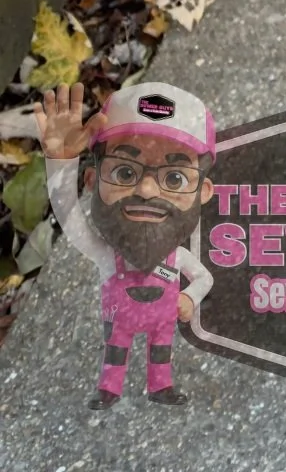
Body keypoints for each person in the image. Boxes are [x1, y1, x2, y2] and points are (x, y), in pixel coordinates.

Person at [35, 79, 217, 405]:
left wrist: (189, 298)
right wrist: (61, 163)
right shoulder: (109, 256)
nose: (147, 191)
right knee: (115, 351)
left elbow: (204, 277)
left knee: (161, 351)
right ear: (92, 180)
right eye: (124, 174)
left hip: (162, 321)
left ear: (203, 192)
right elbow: (71, 220)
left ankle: (161, 387)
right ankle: (108, 390)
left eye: (173, 178)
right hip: (120, 322)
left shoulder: (177, 258)